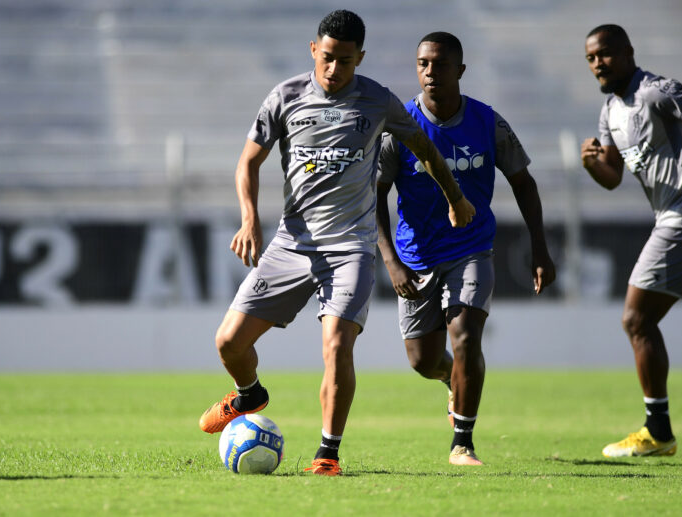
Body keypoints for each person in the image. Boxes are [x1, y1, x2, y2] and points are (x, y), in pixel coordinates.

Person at [198, 11, 476, 476]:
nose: (334, 70)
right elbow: (248, 162)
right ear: (313, 50)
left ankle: (327, 454)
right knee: (228, 343)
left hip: (351, 247)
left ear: (359, 58)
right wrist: (249, 220)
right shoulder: (285, 97)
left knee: (336, 344)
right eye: (327, 58)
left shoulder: (376, 101)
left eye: (345, 61)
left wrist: (455, 197)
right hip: (292, 242)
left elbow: (425, 149)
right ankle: (249, 394)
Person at [376, 32, 556, 465]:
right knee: (423, 360)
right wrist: (392, 262)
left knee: (466, 336)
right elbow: (375, 194)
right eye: (423, 64)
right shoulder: (399, 126)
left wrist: (540, 248)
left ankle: (463, 442)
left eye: (439, 64)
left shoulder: (487, 122)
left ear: (460, 70)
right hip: (416, 256)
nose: (430, 72)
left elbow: (523, 182)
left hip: (472, 248)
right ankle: (451, 379)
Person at [581, 24, 682, 457]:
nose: (598, 63)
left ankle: (658, 431)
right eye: (592, 58)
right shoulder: (610, 112)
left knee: (637, 321)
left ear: (628, 52)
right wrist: (593, 165)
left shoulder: (655, 91)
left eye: (606, 54)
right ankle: (659, 431)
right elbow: (613, 178)